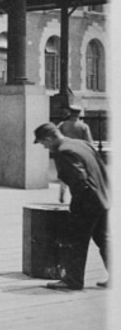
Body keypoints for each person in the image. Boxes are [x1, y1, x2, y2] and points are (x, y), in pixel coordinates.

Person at [33, 123, 109, 291]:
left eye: (43, 143)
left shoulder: (63, 151)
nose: (45, 147)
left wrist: (76, 207)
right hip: (103, 198)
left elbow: (79, 181)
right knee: (104, 240)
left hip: (87, 203)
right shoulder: (82, 144)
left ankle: (72, 280)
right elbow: (101, 168)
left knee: (75, 241)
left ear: (49, 138)